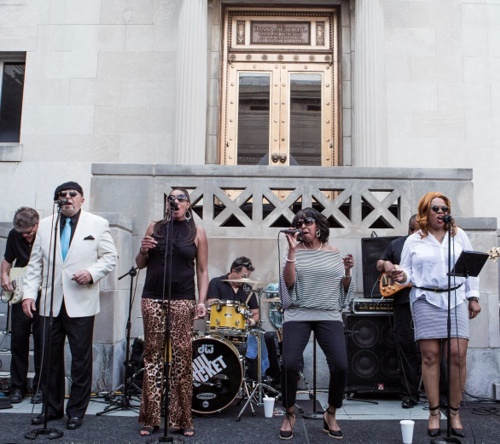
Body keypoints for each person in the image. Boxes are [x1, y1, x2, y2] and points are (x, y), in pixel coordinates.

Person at [22, 181, 118, 430]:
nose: (67, 198)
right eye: (62, 195)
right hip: (50, 303)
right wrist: (29, 295)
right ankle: (52, 410)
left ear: (82, 199)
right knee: (50, 359)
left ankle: (76, 411)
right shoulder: (44, 225)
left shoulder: (97, 224)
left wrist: (91, 272)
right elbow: (35, 264)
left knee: (80, 360)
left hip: (81, 302)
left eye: (72, 194)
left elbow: (110, 257)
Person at [393, 191, 480, 438]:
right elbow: (408, 271)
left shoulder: (458, 235)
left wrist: (473, 297)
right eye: (436, 209)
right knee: (430, 356)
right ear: (425, 212)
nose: (441, 213)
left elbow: (472, 268)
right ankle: (433, 412)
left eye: (444, 209)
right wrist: (401, 276)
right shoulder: (415, 240)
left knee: (457, 354)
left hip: (455, 297)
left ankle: (453, 412)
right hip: (425, 298)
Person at [136, 187, 209, 438]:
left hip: (183, 299)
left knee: (181, 357)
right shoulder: (154, 227)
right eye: (171, 198)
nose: (174, 201)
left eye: (180, 198)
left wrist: (202, 301)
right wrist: (143, 250)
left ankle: (182, 418)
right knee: (152, 356)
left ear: (188, 205)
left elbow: (202, 270)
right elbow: (140, 264)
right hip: (152, 297)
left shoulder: (196, 232)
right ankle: (150, 417)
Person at [279, 207, 354, 440]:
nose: (303, 226)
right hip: (299, 314)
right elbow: (289, 284)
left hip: (328, 314)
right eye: (298, 223)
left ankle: (331, 413)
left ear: (319, 227)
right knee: (289, 364)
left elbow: (342, 290)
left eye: (307, 222)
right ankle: (289, 412)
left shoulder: (333, 252)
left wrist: (348, 272)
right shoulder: (294, 252)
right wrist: (291, 252)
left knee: (341, 365)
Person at [207, 256, 281, 386]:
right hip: (221, 330)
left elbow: (256, 313)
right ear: (234, 271)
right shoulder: (216, 283)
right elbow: (212, 306)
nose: (244, 280)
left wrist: (252, 321)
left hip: (245, 329)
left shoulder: (247, 288)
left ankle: (272, 379)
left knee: (268, 337)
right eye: (243, 276)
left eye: (247, 276)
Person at [376, 214, 421, 408]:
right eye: (411, 229)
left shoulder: (434, 245)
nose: (414, 233)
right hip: (403, 303)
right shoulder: (398, 244)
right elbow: (379, 263)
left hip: (428, 302)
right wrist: (385, 264)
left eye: (418, 229)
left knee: (435, 349)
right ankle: (409, 394)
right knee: (406, 348)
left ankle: (443, 396)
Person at [1, 207, 43, 404]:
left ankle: (40, 387)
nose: (25, 236)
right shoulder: (14, 235)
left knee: (43, 341)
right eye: (22, 233)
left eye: (29, 232)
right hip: (20, 292)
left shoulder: (46, 233)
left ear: (37, 224)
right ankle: (18, 387)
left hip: (43, 291)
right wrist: (3, 275)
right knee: (18, 339)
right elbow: (8, 260)